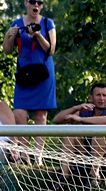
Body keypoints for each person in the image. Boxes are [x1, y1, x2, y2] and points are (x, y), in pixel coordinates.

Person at [2, 0, 57, 165]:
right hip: (24, 74)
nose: (37, 5)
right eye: (33, 2)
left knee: (41, 115)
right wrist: (9, 35)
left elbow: (51, 50)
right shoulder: (17, 23)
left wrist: (38, 35)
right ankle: (25, 154)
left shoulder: (48, 23)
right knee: (19, 113)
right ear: (26, 3)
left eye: (40, 3)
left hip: (43, 73)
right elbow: (7, 50)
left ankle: (38, 157)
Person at [53, 83, 106, 187]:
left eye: (104, 95)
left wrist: (81, 119)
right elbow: (56, 119)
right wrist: (76, 107)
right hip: (84, 156)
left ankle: (94, 176)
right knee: (70, 133)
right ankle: (64, 177)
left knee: (100, 132)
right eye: (98, 95)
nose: (101, 98)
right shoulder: (85, 110)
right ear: (91, 97)